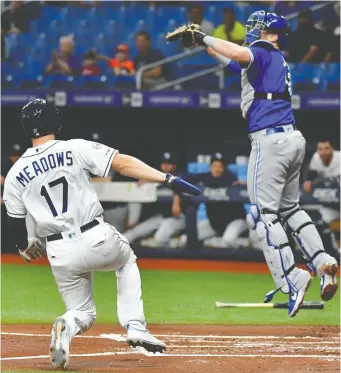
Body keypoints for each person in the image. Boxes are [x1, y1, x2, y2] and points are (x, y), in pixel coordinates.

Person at [3, 99, 200, 369]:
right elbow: (122, 164)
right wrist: (166, 178)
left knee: (82, 312)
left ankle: (66, 324)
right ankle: (135, 326)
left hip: (58, 251)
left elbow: (14, 222)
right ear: (54, 122)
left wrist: (24, 246)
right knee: (126, 260)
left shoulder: (14, 174)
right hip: (94, 235)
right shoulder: (73, 147)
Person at [166, 10, 338, 317]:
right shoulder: (272, 59)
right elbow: (234, 63)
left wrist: (204, 36)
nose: (255, 31)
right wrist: (206, 46)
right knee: (290, 209)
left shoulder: (264, 50)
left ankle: (292, 277)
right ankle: (323, 261)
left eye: (260, 28)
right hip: (292, 138)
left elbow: (238, 53)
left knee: (262, 214)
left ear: (273, 35)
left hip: (269, 139)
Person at [173, 153, 248, 249]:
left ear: (224, 168)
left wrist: (242, 184)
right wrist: (176, 200)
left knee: (228, 241)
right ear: (210, 167)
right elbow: (180, 180)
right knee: (185, 239)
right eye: (214, 166)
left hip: (236, 220)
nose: (216, 169)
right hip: (214, 224)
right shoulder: (206, 178)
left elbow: (243, 188)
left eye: (220, 166)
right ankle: (212, 241)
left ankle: (245, 242)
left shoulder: (230, 178)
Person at [124, 152, 186, 247]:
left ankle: (176, 240)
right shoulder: (157, 179)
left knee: (158, 239)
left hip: (177, 218)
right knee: (132, 233)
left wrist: (176, 202)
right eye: (164, 163)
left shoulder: (180, 177)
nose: (166, 166)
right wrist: (148, 180)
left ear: (174, 165)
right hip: (160, 217)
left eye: (169, 163)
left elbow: (176, 184)